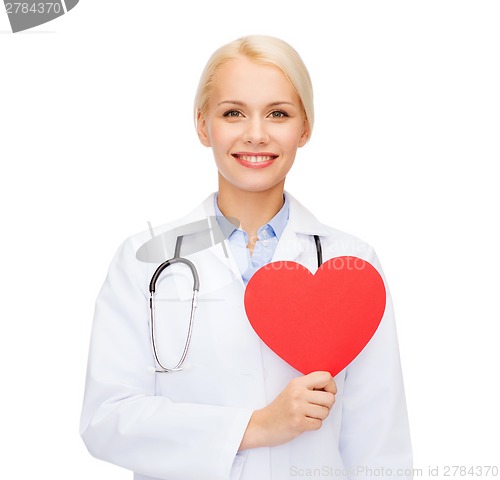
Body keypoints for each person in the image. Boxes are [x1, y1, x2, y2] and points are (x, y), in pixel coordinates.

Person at [80, 35, 412, 480]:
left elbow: (380, 446)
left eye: (278, 113)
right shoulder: (146, 260)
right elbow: (107, 420)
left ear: (305, 128)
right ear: (203, 126)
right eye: (233, 113)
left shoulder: (351, 261)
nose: (256, 133)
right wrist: (256, 427)